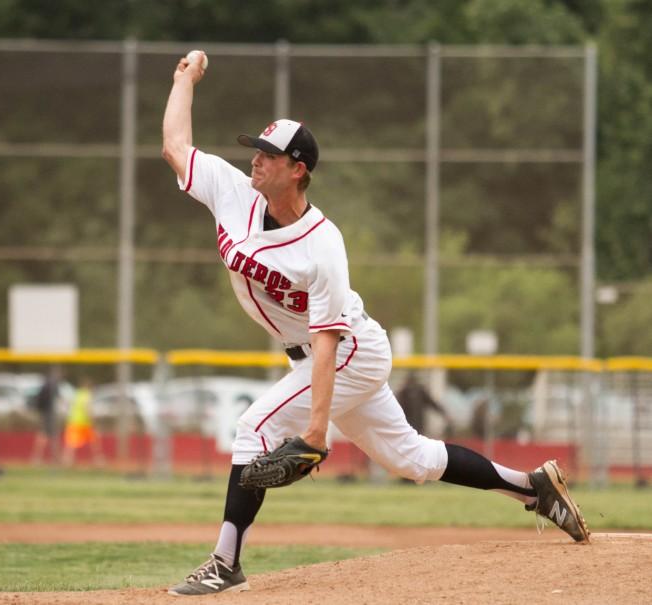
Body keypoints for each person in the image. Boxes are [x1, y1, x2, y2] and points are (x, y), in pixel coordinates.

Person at [161, 51, 589, 597]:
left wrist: (315, 432)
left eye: (270, 154)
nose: (257, 161)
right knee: (411, 459)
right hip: (322, 356)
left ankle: (226, 562)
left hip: (348, 352)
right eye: (257, 151)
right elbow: (176, 146)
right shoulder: (231, 192)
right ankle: (533, 489)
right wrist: (183, 80)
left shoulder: (322, 244)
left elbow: (326, 338)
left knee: (253, 428)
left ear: (299, 169)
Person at [60, 377, 105, 468]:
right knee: (93, 442)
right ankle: (99, 461)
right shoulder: (87, 395)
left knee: (72, 443)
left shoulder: (76, 394)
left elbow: (68, 405)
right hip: (83, 423)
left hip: (74, 421)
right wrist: (93, 420)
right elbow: (87, 408)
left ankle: (66, 461)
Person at [396, 372, 451, 437]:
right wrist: (444, 413)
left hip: (412, 425)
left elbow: (433, 403)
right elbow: (433, 404)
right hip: (412, 424)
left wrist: (443, 412)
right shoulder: (408, 392)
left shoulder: (416, 391)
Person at [30, 367, 62, 466]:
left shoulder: (45, 383)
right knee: (48, 435)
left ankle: (40, 458)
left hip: (45, 412)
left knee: (47, 435)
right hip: (49, 413)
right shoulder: (53, 384)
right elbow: (59, 398)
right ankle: (51, 458)